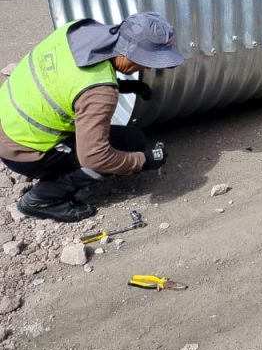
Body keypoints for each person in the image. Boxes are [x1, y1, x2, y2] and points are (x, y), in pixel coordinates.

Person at [0, 13, 184, 222]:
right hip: (23, 151)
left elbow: (67, 79)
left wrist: (126, 86)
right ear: (130, 52)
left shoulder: (78, 31)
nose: (147, 68)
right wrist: (144, 161)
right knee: (127, 147)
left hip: (9, 120)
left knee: (129, 139)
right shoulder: (100, 92)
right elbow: (95, 156)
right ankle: (43, 199)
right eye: (145, 62)